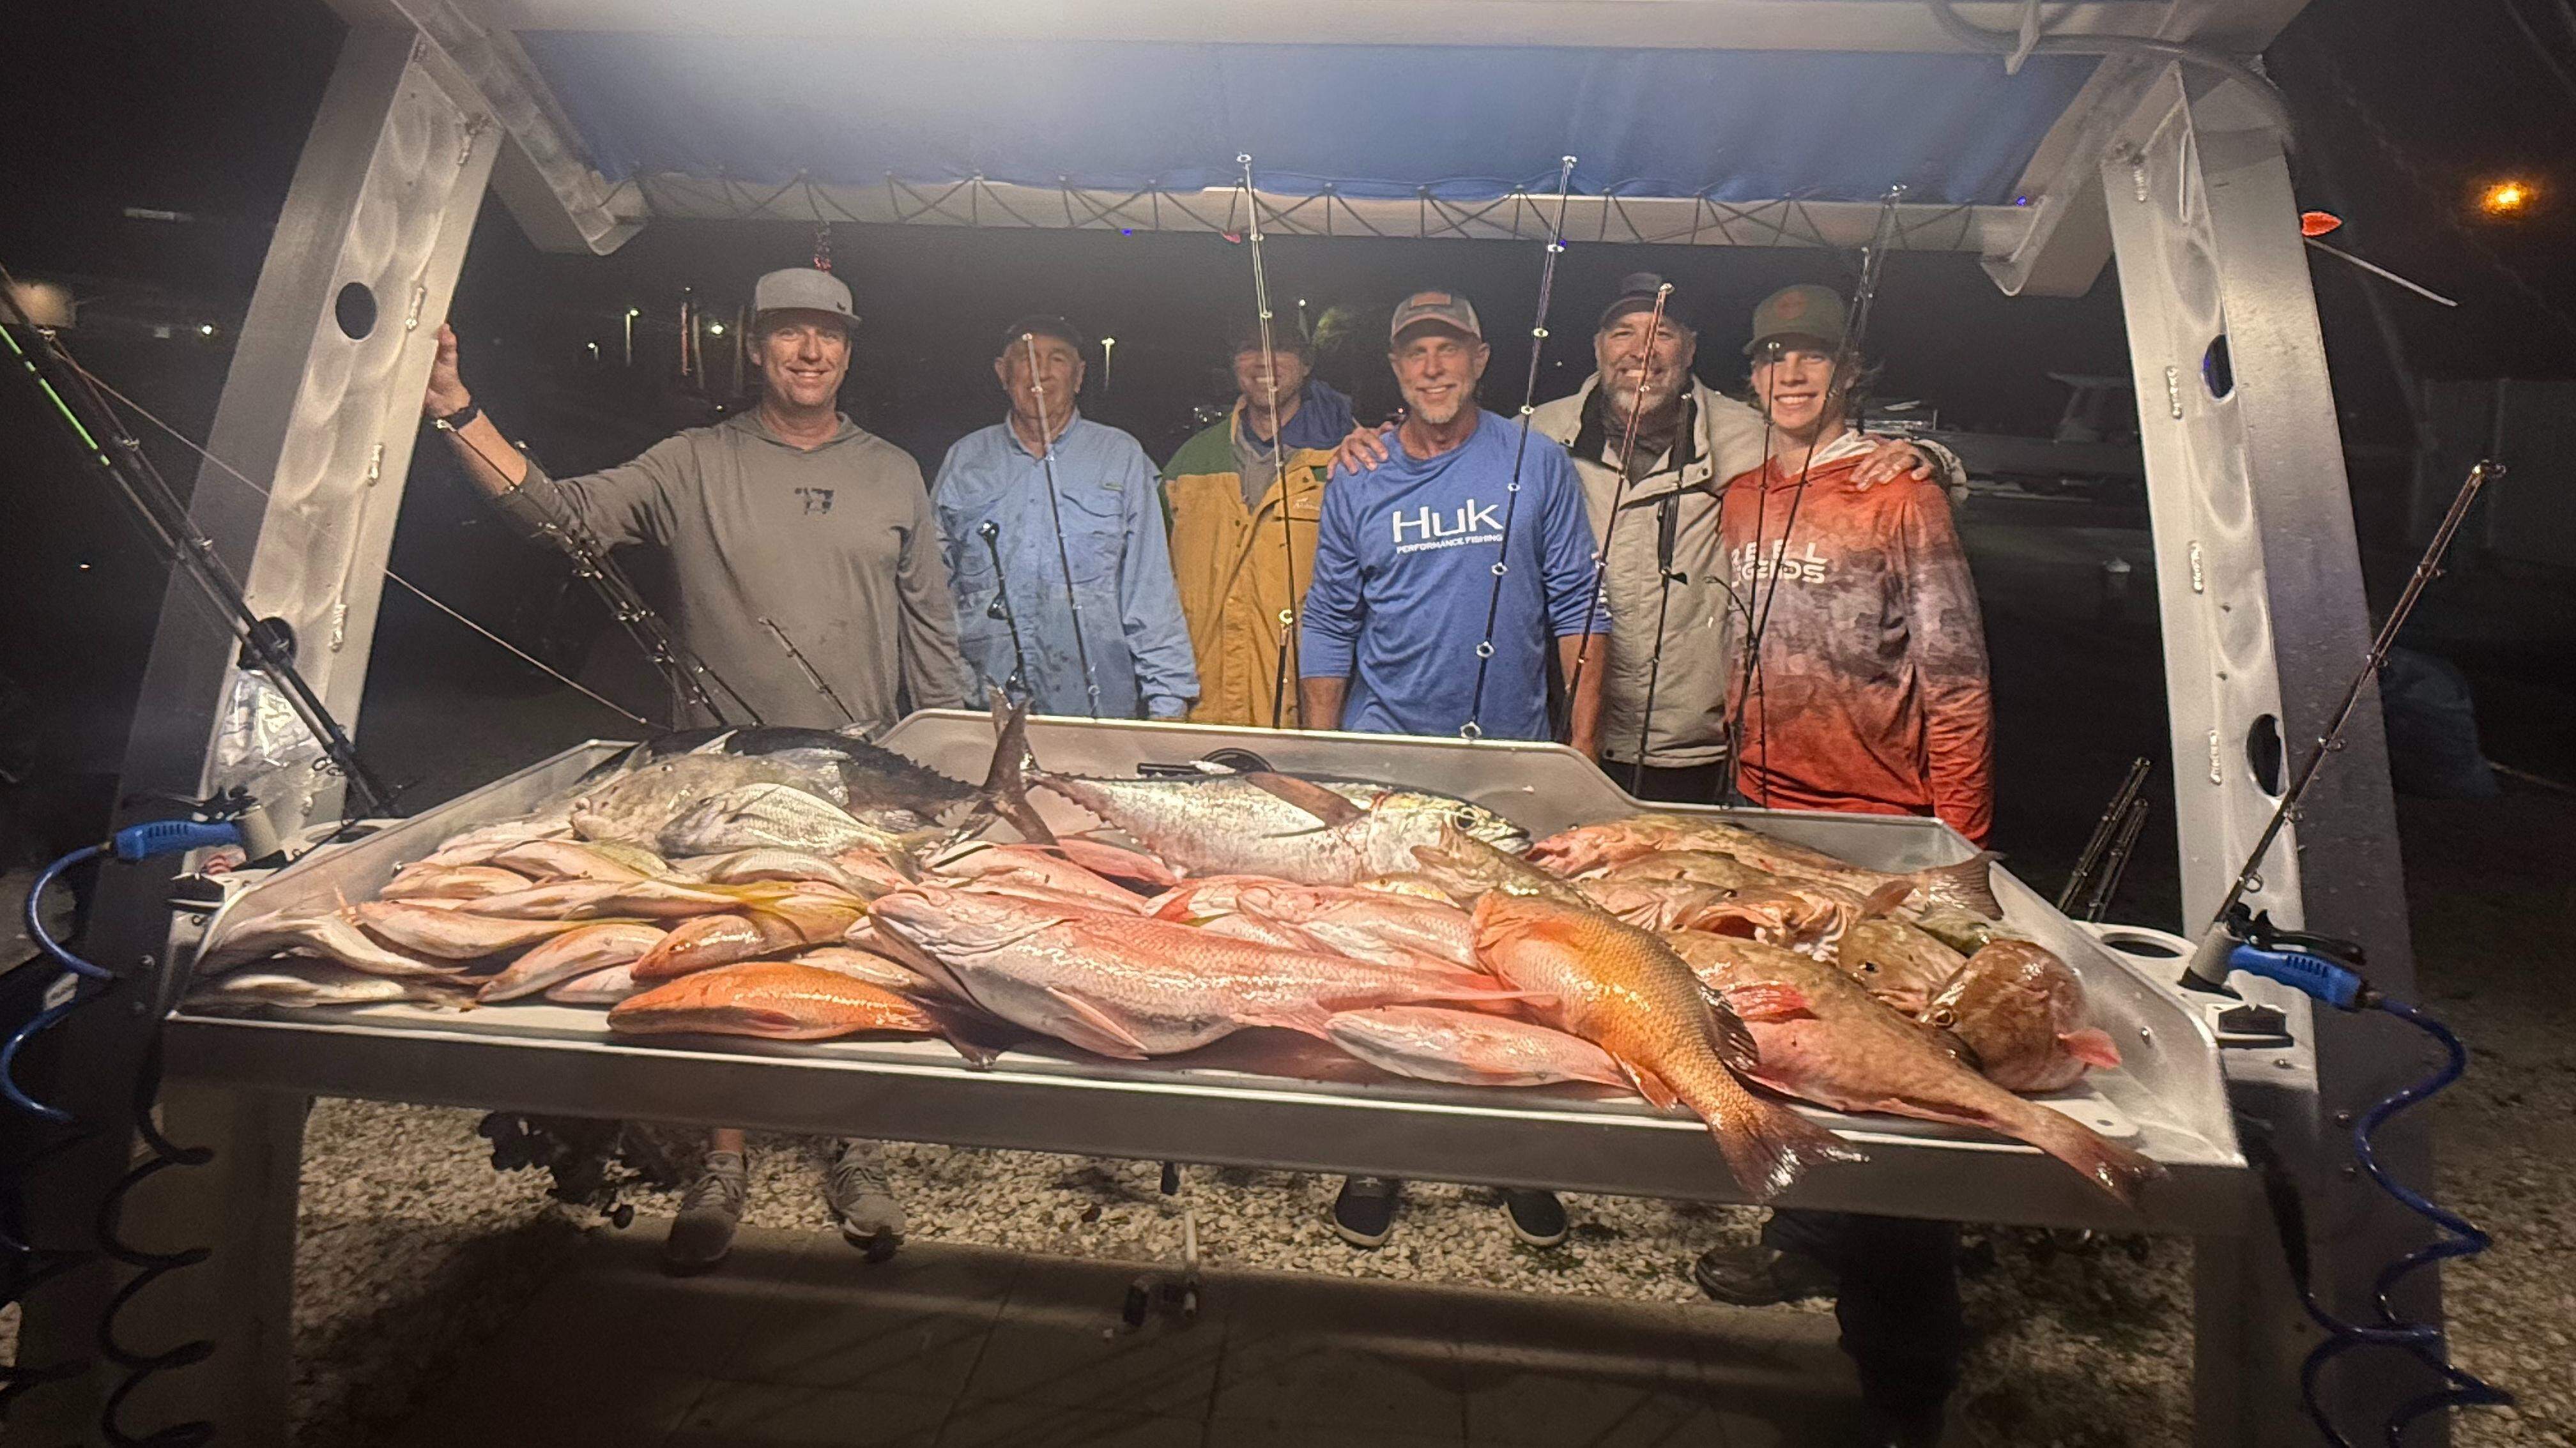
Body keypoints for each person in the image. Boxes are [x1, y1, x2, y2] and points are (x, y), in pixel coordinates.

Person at [420, 266, 956, 1273]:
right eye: (790, 333)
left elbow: (933, 626)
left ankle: (851, 1143)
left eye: (829, 334)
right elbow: (560, 516)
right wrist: (458, 410)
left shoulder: (893, 471)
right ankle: (724, 1155)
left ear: (849, 349)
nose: (811, 351)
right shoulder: (692, 461)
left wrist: (942, 754)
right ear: (755, 347)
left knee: (838, 953)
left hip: (855, 779)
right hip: (719, 777)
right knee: (727, 954)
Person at [1691, 283, 1996, 1448]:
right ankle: (1812, 1237)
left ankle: (1904, 1378)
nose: (1789, 376)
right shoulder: (1745, 493)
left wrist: (1955, 842)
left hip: (1882, 821)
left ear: (1849, 369)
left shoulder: (1900, 492)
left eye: (1811, 356)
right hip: (1764, 811)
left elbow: (1954, 670)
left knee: (1897, 1078)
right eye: (1771, 358)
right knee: (1782, 1038)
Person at [1339, 273, 1956, 802]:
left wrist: (1930, 456)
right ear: (1598, 350)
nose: (1642, 349)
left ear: (1688, 350)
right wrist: (1368, 443)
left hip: (1690, 741)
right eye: (1623, 333)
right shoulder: (1541, 434)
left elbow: (1828, 456)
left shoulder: (1748, 433)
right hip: (1569, 727)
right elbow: (1447, 442)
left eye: (1661, 332)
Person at [1297, 289, 1606, 1249]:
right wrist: (1328, 759)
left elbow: (1580, 608)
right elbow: (1329, 617)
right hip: (1386, 754)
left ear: (1481, 358)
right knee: (1393, 963)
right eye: (1414, 355)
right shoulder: (1359, 474)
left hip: (1506, 758)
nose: (1433, 368)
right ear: (1396, 370)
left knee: (1513, 965)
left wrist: (1580, 763)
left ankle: (1517, 1149)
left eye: (1450, 351)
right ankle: (1380, 1151)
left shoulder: (1532, 459)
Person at [934, 316, 1199, 719]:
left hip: (1097, 712)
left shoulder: (1120, 455)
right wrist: (942, 692)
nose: (1041, 370)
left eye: (1057, 358)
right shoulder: (964, 459)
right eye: (1026, 358)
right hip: (981, 709)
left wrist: (1169, 700)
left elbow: (1150, 590)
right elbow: (932, 588)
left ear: (1079, 376)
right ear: (1003, 374)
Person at [1160, 319, 1356, 726]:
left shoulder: (1349, 459)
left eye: (1281, 347)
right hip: (1205, 713)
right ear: (1233, 366)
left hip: (1307, 717)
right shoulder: (1190, 461)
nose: (1264, 360)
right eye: (1250, 347)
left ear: (1306, 365)